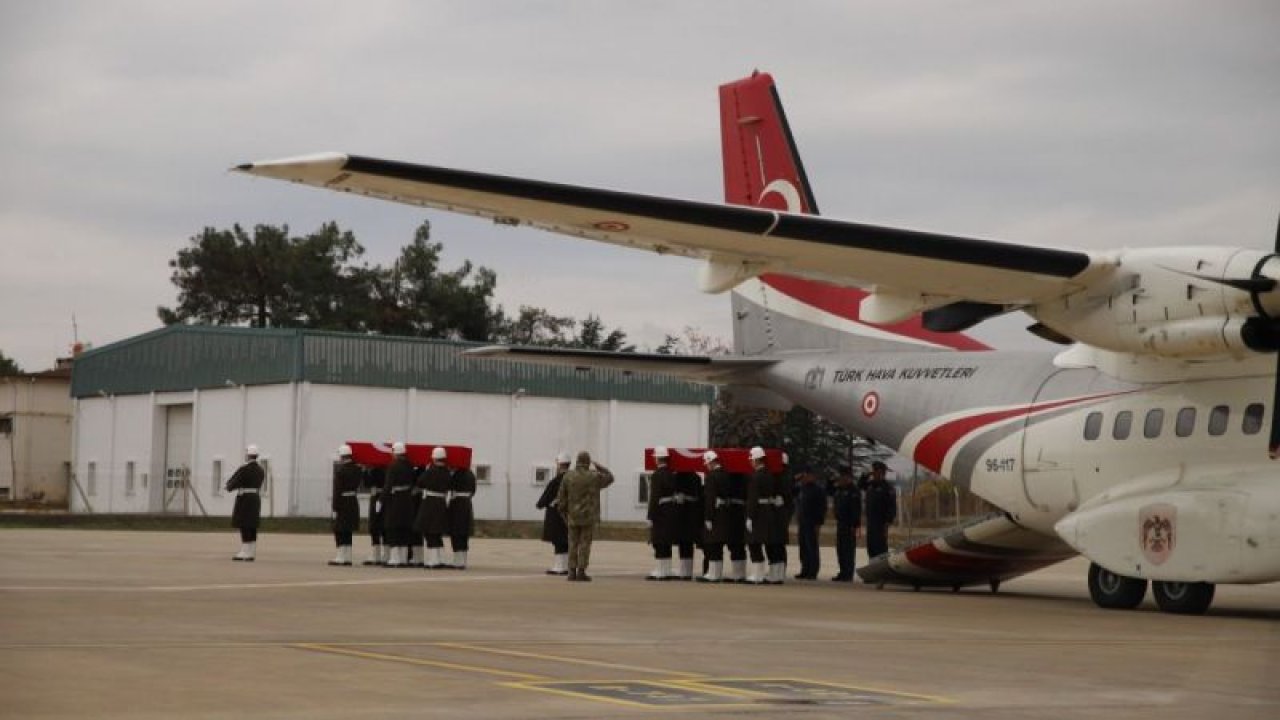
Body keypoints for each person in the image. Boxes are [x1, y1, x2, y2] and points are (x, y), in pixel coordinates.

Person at [555, 451, 614, 581]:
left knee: (572, 543)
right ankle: (581, 571)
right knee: (585, 544)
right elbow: (610, 478)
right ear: (588, 462)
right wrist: (599, 467)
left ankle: (571, 572)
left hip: (572, 516)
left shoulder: (568, 476)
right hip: (588, 517)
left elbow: (561, 498)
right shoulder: (594, 477)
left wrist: (564, 513)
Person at [699, 451, 745, 583]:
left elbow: (710, 499)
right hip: (727, 513)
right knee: (724, 544)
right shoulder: (726, 475)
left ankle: (714, 574)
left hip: (716, 514)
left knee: (714, 545)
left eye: (707, 463)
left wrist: (708, 517)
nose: (706, 466)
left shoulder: (711, 477)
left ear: (712, 462)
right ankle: (719, 574)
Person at [746, 446, 788, 585]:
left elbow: (753, 498)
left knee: (754, 543)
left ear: (757, 460)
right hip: (769, 512)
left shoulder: (756, 476)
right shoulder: (770, 475)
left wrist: (750, 517)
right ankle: (775, 575)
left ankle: (758, 574)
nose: (750, 462)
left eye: (752, 459)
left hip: (758, 513)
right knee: (771, 544)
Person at [414, 447, 453, 569]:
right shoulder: (447, 472)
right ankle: (439, 558)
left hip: (430, 502)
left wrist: (426, 470)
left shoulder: (431, 470)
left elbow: (420, 482)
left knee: (429, 532)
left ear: (434, 457)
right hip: (441, 502)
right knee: (437, 533)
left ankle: (433, 560)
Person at [226, 445, 265, 561]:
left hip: (245, 498)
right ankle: (251, 551)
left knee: (244, 524)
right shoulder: (260, 470)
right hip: (255, 498)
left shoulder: (244, 469)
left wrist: (229, 487)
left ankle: (244, 551)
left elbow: (234, 481)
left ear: (248, 455)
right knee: (252, 525)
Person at [536, 453, 571, 575]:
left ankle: (559, 566)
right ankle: (565, 566)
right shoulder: (573, 478)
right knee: (565, 540)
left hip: (556, 514)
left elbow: (546, 497)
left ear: (560, 464)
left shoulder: (557, 480)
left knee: (558, 540)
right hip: (569, 514)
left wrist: (540, 504)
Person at [381, 442, 415, 568]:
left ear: (395, 452)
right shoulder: (410, 465)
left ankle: (394, 558)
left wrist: (381, 499)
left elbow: (388, 485)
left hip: (395, 500)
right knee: (404, 529)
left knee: (393, 528)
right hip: (407, 499)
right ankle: (403, 558)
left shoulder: (393, 466)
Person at [328, 445, 362, 566]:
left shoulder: (341, 471)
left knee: (339, 530)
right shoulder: (357, 469)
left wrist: (335, 506)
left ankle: (341, 556)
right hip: (352, 501)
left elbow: (337, 490)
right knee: (348, 530)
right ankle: (348, 556)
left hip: (343, 501)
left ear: (342, 456)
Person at [793, 465, 826, 579]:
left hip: (812, 522)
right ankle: (805, 569)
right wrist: (795, 478)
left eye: (808, 475)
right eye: (805, 475)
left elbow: (822, 508)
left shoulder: (818, 490)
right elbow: (789, 489)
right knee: (803, 548)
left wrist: (819, 524)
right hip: (802, 522)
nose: (806, 477)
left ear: (813, 476)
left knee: (812, 547)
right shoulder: (802, 488)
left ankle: (813, 571)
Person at [830, 463, 862, 581]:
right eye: (840, 476)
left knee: (848, 550)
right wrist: (831, 479)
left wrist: (855, 525)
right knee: (840, 549)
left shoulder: (854, 491)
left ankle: (848, 573)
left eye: (843, 476)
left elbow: (856, 510)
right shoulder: (839, 489)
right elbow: (828, 489)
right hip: (841, 523)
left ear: (848, 477)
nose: (841, 479)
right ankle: (843, 572)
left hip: (850, 525)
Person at [672, 468, 703, 580]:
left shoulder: (676, 477)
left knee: (683, 543)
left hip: (682, 513)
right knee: (687, 543)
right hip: (692, 513)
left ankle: (684, 571)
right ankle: (687, 571)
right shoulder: (696, 477)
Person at [863, 461, 897, 560]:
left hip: (881, 523)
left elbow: (892, 507)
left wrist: (887, 522)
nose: (874, 474)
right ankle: (873, 568)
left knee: (880, 548)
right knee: (871, 547)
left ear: (882, 473)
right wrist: (866, 474)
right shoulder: (870, 485)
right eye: (873, 472)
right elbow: (860, 484)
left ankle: (882, 570)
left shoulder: (887, 488)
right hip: (870, 522)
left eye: (876, 472)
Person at [447, 461, 476, 569]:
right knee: (464, 532)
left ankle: (457, 561)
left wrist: (450, 472)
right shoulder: (471, 474)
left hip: (457, 504)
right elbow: (473, 491)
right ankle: (463, 560)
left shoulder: (456, 474)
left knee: (456, 532)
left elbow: (448, 485)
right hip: (467, 504)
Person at [361, 465, 386, 565]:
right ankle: (381, 554)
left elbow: (368, 483)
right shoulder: (383, 467)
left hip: (378, 497)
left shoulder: (379, 469)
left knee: (376, 527)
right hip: (381, 497)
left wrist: (365, 472)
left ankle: (378, 555)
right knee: (377, 527)